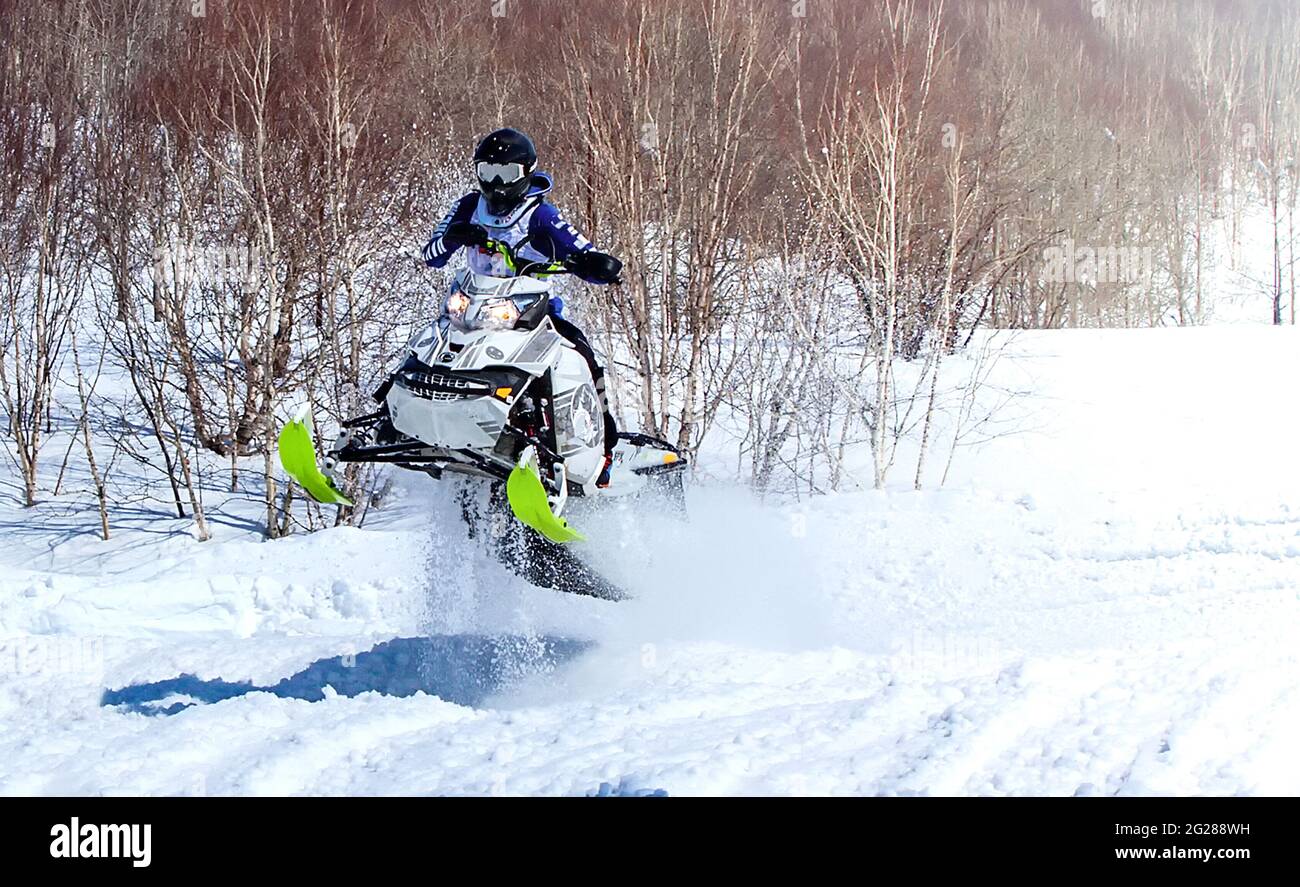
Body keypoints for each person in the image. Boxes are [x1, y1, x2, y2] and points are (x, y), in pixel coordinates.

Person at [421, 128, 622, 486]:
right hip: (471, 305)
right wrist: (453, 237)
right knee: (427, 343)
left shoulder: (540, 214)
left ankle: (603, 450)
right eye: (488, 172)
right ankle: (390, 421)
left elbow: (578, 246)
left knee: (584, 356)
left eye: (506, 175)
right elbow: (432, 255)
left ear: (526, 172)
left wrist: (593, 265)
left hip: (527, 311)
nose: (497, 185)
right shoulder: (470, 206)